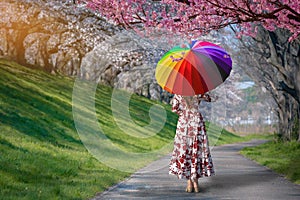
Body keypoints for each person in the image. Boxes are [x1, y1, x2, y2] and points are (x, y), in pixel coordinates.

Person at [169, 93, 215, 193]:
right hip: (196, 121)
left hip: (184, 123)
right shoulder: (198, 92)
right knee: (197, 151)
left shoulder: (179, 93)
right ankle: (196, 182)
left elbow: (174, 108)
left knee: (185, 151)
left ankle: (189, 182)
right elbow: (211, 98)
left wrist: (184, 113)